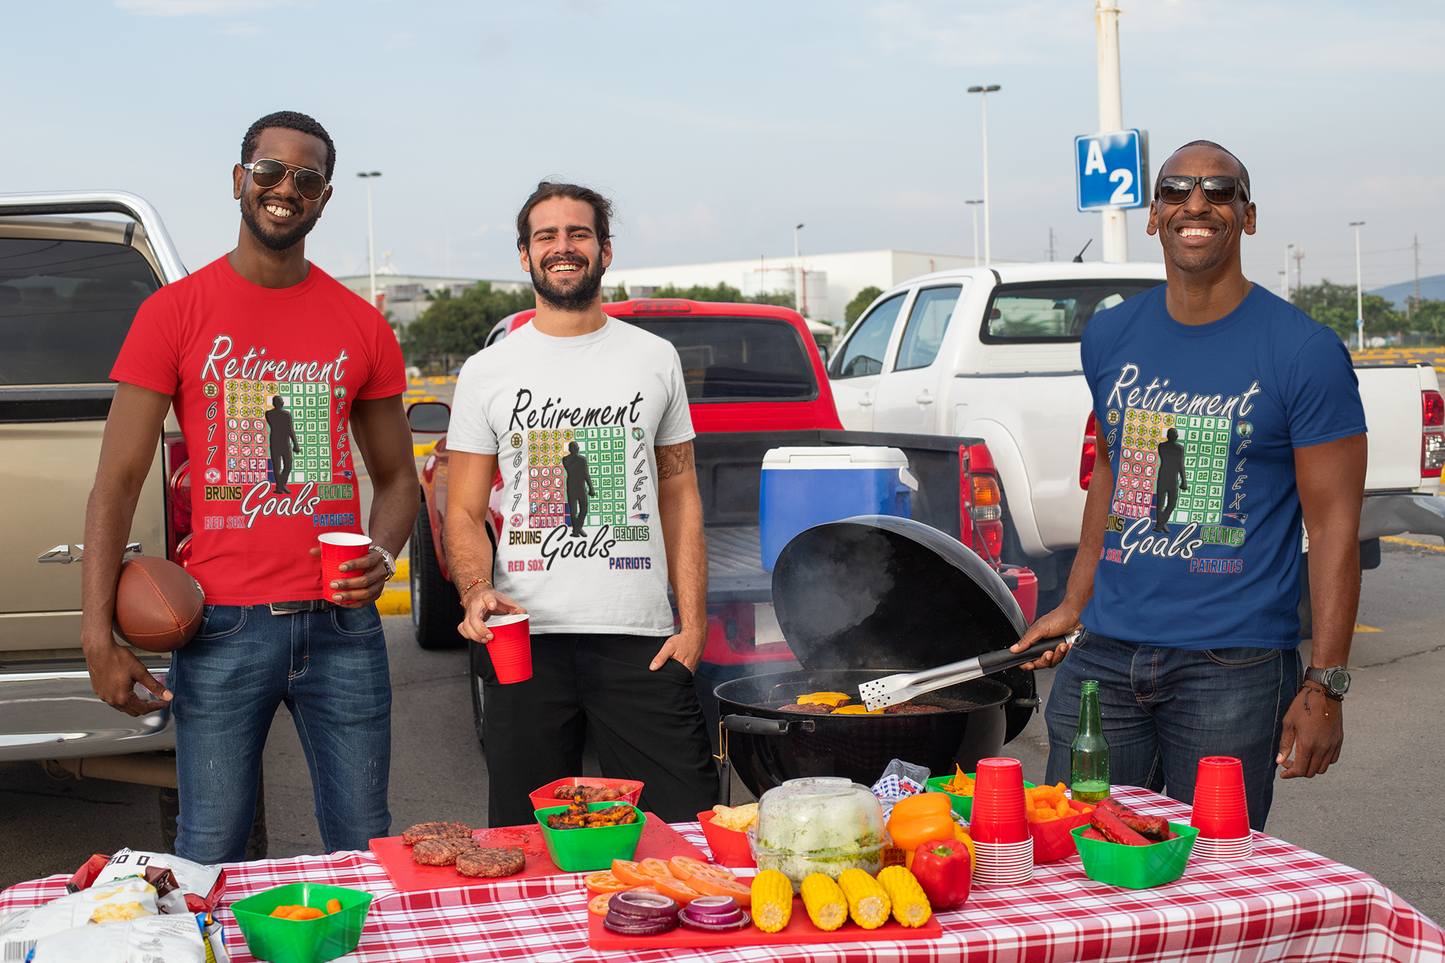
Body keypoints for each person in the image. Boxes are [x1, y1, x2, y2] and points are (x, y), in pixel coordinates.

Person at [80, 110, 418, 862]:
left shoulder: (360, 324)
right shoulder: (174, 313)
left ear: (325, 199)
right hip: (223, 626)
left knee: (366, 848)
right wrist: (96, 634)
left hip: (343, 630)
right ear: (239, 180)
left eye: (306, 178)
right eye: (269, 171)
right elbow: (116, 482)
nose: (284, 188)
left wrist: (384, 555)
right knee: (208, 849)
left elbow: (399, 480)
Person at [1013, 140, 1367, 830]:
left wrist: (1326, 682)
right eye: (1176, 189)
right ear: (1154, 216)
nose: (1195, 203)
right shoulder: (1110, 334)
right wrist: (1075, 599)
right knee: (1080, 861)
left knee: (1208, 876)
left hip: (1229, 665)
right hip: (1105, 661)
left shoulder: (1302, 351)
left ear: (1248, 215)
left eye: (1218, 190)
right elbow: (1113, 471)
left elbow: (1332, 527)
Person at [444, 181, 719, 827]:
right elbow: (463, 510)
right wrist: (474, 589)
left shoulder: (654, 359)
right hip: (524, 639)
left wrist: (693, 622)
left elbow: (679, 491)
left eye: (578, 233)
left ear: (604, 250)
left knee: (685, 827)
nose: (562, 247)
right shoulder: (488, 370)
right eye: (546, 235)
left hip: (643, 638)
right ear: (523, 255)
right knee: (526, 838)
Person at [1152, 427, 1188, 533]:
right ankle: (1161, 524)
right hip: (1171, 477)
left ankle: (1160, 524)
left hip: (1164, 476)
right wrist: (1184, 481)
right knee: (1169, 502)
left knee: (1163, 502)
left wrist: (1183, 480)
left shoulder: (1161, 446)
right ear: (1176, 437)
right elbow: (1180, 465)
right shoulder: (1179, 448)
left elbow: (1179, 464)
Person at [266, 395, 300, 494]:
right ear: (282, 404)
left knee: (284, 465)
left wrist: (295, 444)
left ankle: (280, 486)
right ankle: (281, 486)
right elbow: (290, 430)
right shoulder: (285, 414)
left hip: (277, 442)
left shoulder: (269, 413)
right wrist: (295, 444)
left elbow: (289, 429)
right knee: (282, 465)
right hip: (282, 442)